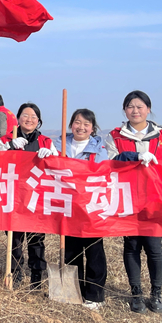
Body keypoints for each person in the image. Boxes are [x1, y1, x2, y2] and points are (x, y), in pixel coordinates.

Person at [105, 90, 162, 314]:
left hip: (156, 200)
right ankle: (136, 294)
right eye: (130, 106)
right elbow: (110, 163)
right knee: (131, 246)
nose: (135, 111)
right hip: (128, 199)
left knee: (154, 247)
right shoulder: (115, 137)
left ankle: (156, 294)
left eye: (140, 106)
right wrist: (134, 157)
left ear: (148, 110)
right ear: (124, 110)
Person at [0, 102, 58, 288]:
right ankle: (15, 272)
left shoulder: (45, 141)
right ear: (18, 118)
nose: (29, 119)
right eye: (25, 115)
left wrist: (51, 155)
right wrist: (9, 146)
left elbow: (58, 166)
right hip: (14, 196)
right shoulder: (6, 139)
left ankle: (36, 275)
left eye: (34, 117)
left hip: (36, 198)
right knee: (15, 238)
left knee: (37, 239)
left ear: (38, 121)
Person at [57, 108, 109, 310]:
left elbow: (105, 173)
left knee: (94, 250)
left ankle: (95, 295)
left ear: (92, 128)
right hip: (68, 207)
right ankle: (73, 290)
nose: (81, 127)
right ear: (71, 124)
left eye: (86, 124)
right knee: (71, 249)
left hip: (91, 207)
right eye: (77, 122)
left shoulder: (99, 149)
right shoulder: (60, 144)